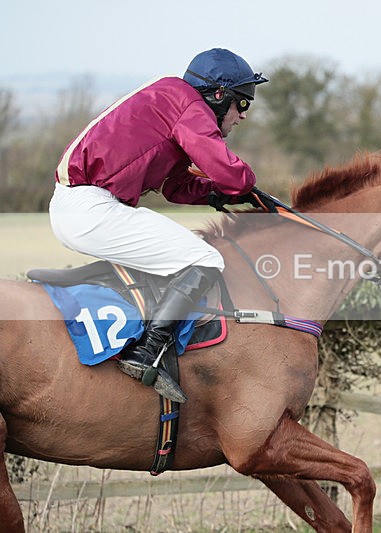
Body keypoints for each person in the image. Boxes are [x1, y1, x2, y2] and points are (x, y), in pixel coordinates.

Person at [49, 48, 268, 402]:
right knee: (205, 259)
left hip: (80, 206)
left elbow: (175, 186)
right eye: (241, 103)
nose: (242, 115)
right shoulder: (189, 106)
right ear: (218, 95)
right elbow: (230, 172)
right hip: (91, 209)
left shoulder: (173, 100)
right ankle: (146, 352)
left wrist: (217, 195)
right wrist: (244, 185)